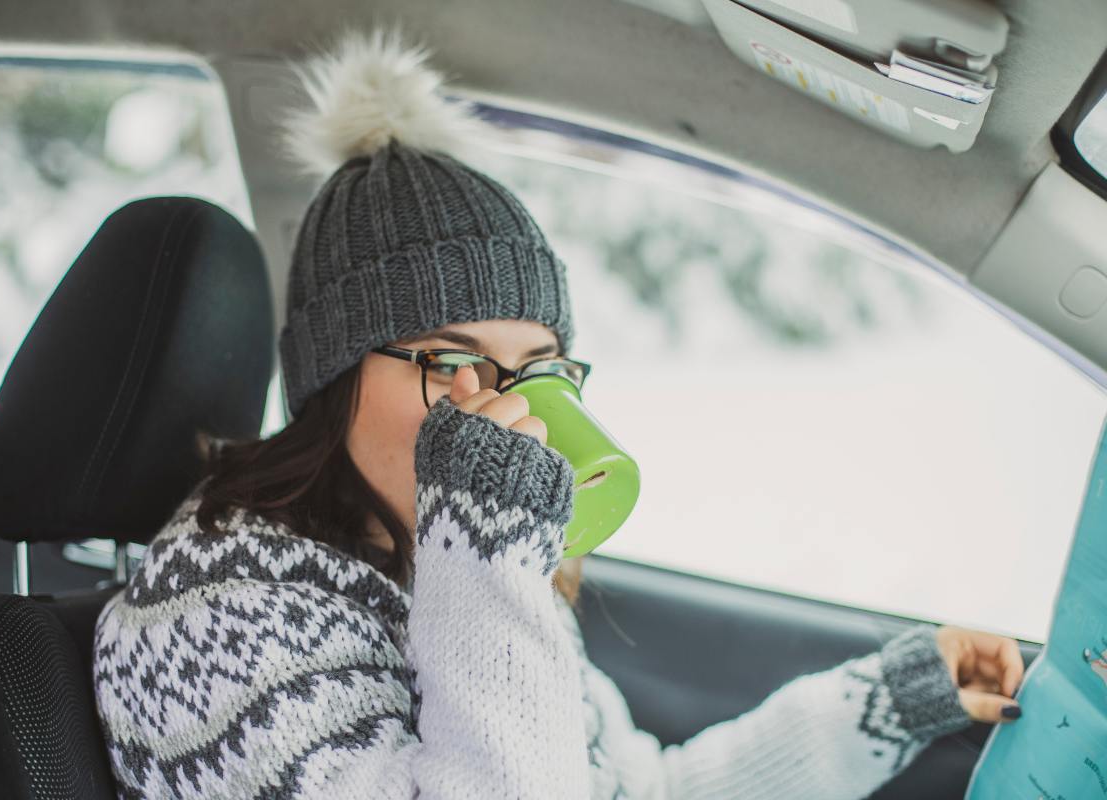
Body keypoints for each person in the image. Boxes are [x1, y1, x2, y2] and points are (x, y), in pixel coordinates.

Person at [91, 23, 1025, 799]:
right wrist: (489, 547)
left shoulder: (444, 562)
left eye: (536, 369)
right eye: (452, 360)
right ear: (333, 385)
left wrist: (891, 700)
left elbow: (633, 792)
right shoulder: (217, 620)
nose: (502, 407)